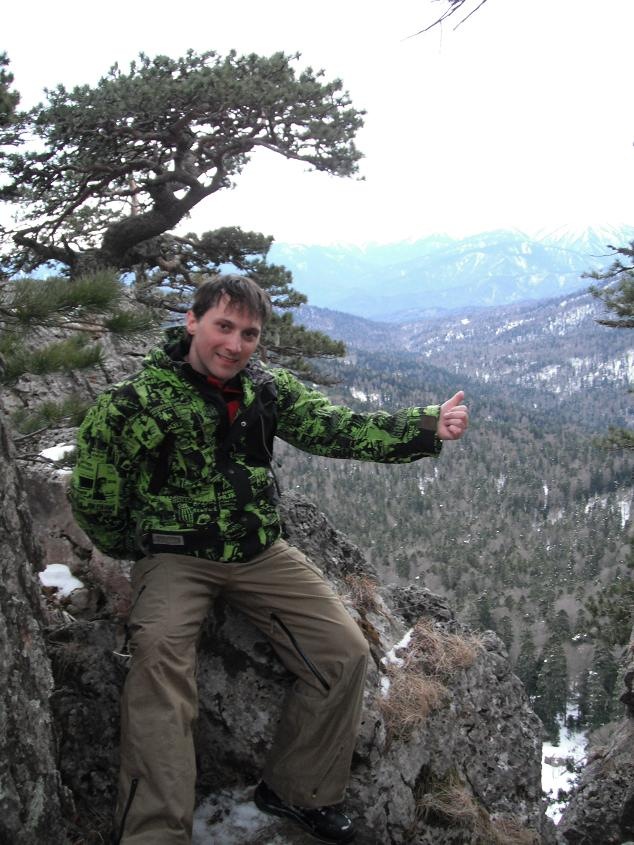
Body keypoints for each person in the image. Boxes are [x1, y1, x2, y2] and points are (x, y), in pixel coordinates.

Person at [70, 274, 469, 845]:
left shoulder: (266, 388)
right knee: (158, 667)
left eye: (249, 333)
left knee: (344, 653)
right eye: (223, 327)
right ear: (192, 321)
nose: (234, 344)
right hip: (175, 555)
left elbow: (337, 429)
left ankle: (296, 791)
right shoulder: (134, 402)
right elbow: (94, 491)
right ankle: (154, 832)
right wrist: (134, 548)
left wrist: (426, 425)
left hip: (259, 551)